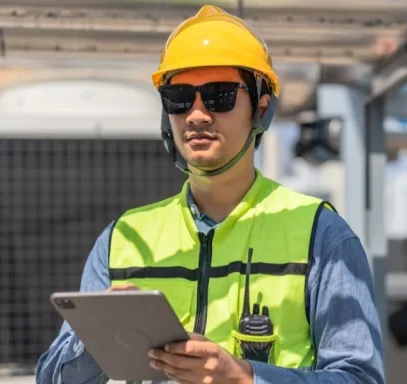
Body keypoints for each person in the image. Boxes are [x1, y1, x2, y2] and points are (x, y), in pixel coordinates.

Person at [36, 5, 385, 384]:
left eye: (219, 96)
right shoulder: (122, 239)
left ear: (261, 109)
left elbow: (360, 378)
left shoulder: (322, 235)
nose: (197, 114)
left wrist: (246, 377)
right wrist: (98, 337)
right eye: (179, 97)